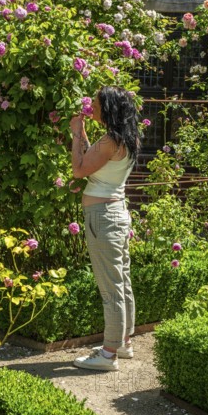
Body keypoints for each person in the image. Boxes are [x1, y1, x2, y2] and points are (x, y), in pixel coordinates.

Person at [70, 86, 140, 371]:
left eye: (97, 105)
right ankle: (122, 342)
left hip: (103, 217)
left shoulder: (111, 140)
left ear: (110, 108)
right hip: (116, 214)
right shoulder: (126, 137)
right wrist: (84, 133)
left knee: (110, 286)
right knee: (121, 281)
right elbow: (93, 159)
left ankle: (108, 354)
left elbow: (79, 168)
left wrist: (76, 132)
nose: (93, 109)